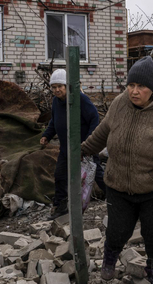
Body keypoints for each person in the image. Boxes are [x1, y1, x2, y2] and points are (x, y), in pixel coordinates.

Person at [81, 56, 153, 284]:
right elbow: (102, 134)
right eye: (131, 85)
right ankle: (110, 258)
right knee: (116, 231)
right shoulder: (119, 104)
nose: (134, 91)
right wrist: (80, 151)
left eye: (141, 86)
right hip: (118, 185)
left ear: (151, 89)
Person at [40, 69, 105, 220]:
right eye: (54, 87)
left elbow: (95, 119)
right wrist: (46, 136)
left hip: (84, 147)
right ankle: (61, 207)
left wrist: (89, 143)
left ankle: (115, 200)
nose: (57, 90)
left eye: (60, 86)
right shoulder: (56, 102)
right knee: (60, 175)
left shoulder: (80, 99)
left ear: (67, 86)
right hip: (65, 148)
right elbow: (54, 121)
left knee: (97, 175)